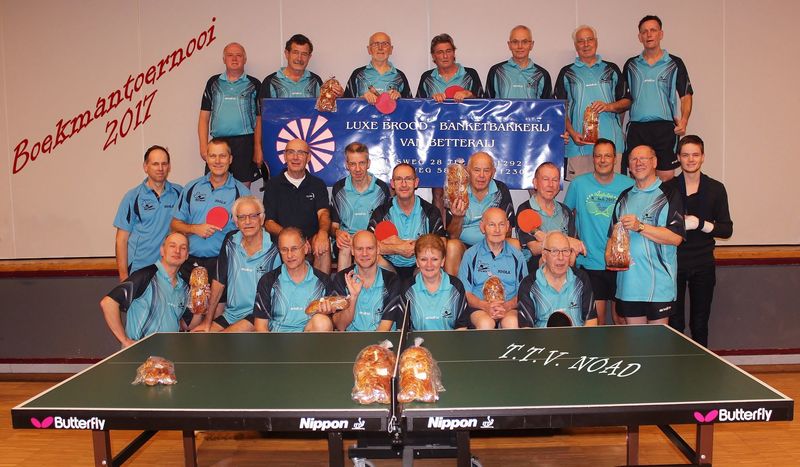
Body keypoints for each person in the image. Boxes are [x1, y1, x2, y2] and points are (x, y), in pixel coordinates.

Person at [665, 135, 733, 346]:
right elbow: (659, 226)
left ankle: (700, 364)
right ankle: (675, 364)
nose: (691, 159)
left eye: (695, 155)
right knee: (674, 323)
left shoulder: (716, 188)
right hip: (674, 262)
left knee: (700, 323)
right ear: (678, 158)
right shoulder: (668, 188)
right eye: (685, 155)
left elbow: (726, 229)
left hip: (703, 262)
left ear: (703, 157)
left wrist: (700, 223)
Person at [564, 139, 634, 325]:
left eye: (607, 156)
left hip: (621, 263)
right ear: (593, 158)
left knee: (621, 320)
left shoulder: (629, 184)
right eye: (598, 156)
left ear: (615, 159)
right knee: (597, 322)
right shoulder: (578, 184)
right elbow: (564, 216)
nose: (603, 160)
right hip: (590, 263)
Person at [612, 145, 684, 324]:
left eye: (643, 158)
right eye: (633, 159)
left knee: (656, 340)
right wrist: (614, 256)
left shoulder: (670, 194)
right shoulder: (623, 197)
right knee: (635, 341)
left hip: (659, 286)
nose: (638, 163)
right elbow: (613, 239)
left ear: (654, 162)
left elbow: (676, 238)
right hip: (629, 286)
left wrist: (640, 227)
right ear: (628, 165)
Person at [417, 33, 484, 220]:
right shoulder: (427, 78)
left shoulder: (470, 75)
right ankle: (439, 232)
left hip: (466, 140)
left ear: (454, 53)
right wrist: (431, 101)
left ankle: (463, 229)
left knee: (466, 188)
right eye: (440, 52)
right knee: (438, 191)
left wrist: (469, 95)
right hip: (436, 141)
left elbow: (486, 105)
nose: (445, 55)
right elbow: (417, 109)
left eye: (448, 51)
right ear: (433, 56)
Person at [192, 196, 281, 333]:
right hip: (232, 314)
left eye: (253, 216)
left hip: (260, 315)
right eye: (242, 217)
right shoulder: (230, 240)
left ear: (262, 219)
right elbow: (219, 282)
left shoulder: (275, 247)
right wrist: (207, 322)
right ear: (236, 222)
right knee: (200, 336)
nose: (247, 222)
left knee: (224, 338)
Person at [254, 34, 343, 167]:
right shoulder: (270, 82)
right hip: (277, 145)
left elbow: (326, 111)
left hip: (310, 146)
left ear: (309, 57)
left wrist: (338, 96)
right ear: (287, 53)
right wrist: (257, 147)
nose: (299, 58)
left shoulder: (316, 81)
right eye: (295, 52)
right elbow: (260, 117)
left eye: (304, 54)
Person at [623, 15, 693, 181]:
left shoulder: (674, 63)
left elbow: (685, 95)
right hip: (637, 128)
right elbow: (624, 100)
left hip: (665, 128)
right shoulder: (631, 65)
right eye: (644, 32)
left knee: (666, 177)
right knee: (637, 177)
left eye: (653, 30)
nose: (649, 35)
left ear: (661, 34)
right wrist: (619, 129)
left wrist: (684, 121)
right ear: (639, 37)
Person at [555, 25, 628, 180]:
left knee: (613, 190)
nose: (586, 44)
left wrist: (609, 106)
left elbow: (627, 101)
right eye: (581, 41)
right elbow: (560, 109)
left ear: (596, 42)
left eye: (589, 39)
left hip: (612, 145)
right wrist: (572, 133)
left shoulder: (611, 69)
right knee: (581, 191)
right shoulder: (567, 72)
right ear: (575, 45)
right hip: (579, 145)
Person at [100, 232, 198, 348]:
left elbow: (187, 326)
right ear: (162, 250)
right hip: (141, 352)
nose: (177, 251)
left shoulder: (184, 287)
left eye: (183, 248)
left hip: (168, 352)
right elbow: (108, 303)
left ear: (187, 255)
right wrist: (125, 340)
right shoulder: (145, 275)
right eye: (172, 246)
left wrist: (201, 307)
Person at [171, 138, 249, 281]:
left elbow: (250, 233)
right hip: (189, 262)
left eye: (222, 156)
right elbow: (175, 224)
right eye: (213, 156)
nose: (217, 161)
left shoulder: (242, 193)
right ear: (206, 158)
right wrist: (195, 229)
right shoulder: (191, 187)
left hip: (224, 263)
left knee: (219, 298)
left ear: (230, 159)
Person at [113, 145, 182, 281]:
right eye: (155, 164)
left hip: (168, 270)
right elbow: (121, 240)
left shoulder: (179, 193)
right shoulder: (132, 197)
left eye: (164, 164)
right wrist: (123, 276)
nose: (160, 168)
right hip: (139, 268)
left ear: (169, 167)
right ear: (145, 167)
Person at [263, 138, 332, 274]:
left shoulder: (318, 184)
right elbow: (269, 223)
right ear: (285, 156)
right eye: (291, 152)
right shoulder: (273, 185)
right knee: (288, 246)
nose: (295, 157)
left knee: (323, 245)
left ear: (308, 157)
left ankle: (322, 286)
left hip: (310, 242)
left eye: (301, 153)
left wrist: (323, 233)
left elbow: (323, 213)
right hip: (283, 241)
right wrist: (294, 240)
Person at [368, 163, 446, 281]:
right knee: (372, 259)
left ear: (416, 182)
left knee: (431, 264)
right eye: (399, 179)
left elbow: (441, 244)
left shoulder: (430, 211)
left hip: (419, 267)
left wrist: (399, 243)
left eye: (408, 179)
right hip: (389, 266)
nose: (404, 184)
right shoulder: (381, 212)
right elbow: (368, 245)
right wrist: (398, 248)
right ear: (392, 183)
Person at [198, 42, 261, 186]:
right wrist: (203, 146)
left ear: (245, 59)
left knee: (243, 189)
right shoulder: (213, 82)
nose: (234, 59)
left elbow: (259, 119)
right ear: (224, 59)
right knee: (215, 185)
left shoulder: (254, 84)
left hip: (245, 143)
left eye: (239, 55)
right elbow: (203, 117)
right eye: (230, 55)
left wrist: (258, 147)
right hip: (218, 142)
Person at [445, 151, 517, 275]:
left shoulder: (501, 190)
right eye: (477, 170)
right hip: (464, 246)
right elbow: (452, 236)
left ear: (493, 172)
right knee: (452, 245)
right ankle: (454, 286)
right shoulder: (457, 191)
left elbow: (508, 230)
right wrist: (458, 217)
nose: (481, 175)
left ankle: (507, 286)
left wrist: (490, 247)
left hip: (493, 244)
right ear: (467, 171)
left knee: (514, 244)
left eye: (486, 170)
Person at [253, 227, 337, 332]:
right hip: (277, 339)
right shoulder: (268, 281)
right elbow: (260, 327)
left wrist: (327, 314)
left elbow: (335, 323)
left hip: (309, 338)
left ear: (305, 247)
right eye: (284, 250)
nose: (289, 255)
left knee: (323, 321)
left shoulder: (323, 281)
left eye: (294, 249)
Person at [458, 208, 526, 329]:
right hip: (480, 308)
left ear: (507, 226)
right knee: (485, 323)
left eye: (501, 224)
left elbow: (523, 292)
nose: (497, 230)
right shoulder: (470, 255)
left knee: (512, 323)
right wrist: (485, 306)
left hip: (509, 308)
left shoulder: (518, 256)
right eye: (491, 225)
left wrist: (507, 306)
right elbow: (466, 293)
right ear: (482, 227)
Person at [330, 142, 391, 270]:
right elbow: (334, 226)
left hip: (373, 240)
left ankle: (386, 282)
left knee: (371, 250)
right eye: (353, 164)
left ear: (368, 163)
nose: (357, 169)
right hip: (346, 241)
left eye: (362, 163)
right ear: (347, 165)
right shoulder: (338, 188)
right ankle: (343, 282)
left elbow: (385, 226)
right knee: (345, 246)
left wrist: (364, 239)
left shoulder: (381, 189)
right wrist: (338, 233)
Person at [517, 232, 598, 327]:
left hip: (578, 336)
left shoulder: (581, 279)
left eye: (565, 251)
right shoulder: (528, 285)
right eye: (554, 251)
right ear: (544, 256)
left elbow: (591, 321)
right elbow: (527, 330)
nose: (561, 257)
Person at [516, 162, 585, 273]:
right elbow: (534, 248)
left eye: (555, 180)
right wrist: (567, 242)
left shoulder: (566, 211)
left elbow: (572, 252)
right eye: (545, 179)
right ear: (535, 183)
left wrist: (545, 238)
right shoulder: (525, 209)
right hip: (535, 273)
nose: (550, 184)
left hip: (565, 273)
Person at [331, 230, 403, 331]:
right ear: (352, 251)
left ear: (378, 250)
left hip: (381, 339)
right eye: (359, 249)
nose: (364, 254)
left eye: (370, 248)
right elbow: (340, 326)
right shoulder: (342, 278)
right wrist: (353, 298)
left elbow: (384, 328)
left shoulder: (391, 280)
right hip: (350, 339)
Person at [400, 234, 469, 330]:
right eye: (423, 259)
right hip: (417, 340)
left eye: (434, 259)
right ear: (417, 262)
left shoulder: (456, 286)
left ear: (442, 261)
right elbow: (402, 328)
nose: (429, 265)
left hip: (451, 339)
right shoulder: (407, 288)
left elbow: (462, 327)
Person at [485, 25, 552, 99]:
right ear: (509, 45)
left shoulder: (542, 75)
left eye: (525, 42)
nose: (520, 46)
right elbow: (487, 103)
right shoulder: (496, 71)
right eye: (515, 42)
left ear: (531, 45)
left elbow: (548, 105)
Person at [343, 31, 412, 102]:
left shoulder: (400, 76)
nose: (380, 48)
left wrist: (400, 98)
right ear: (369, 49)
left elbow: (411, 106)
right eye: (376, 44)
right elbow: (345, 104)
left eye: (385, 44)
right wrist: (362, 99)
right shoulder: (358, 74)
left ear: (391, 49)